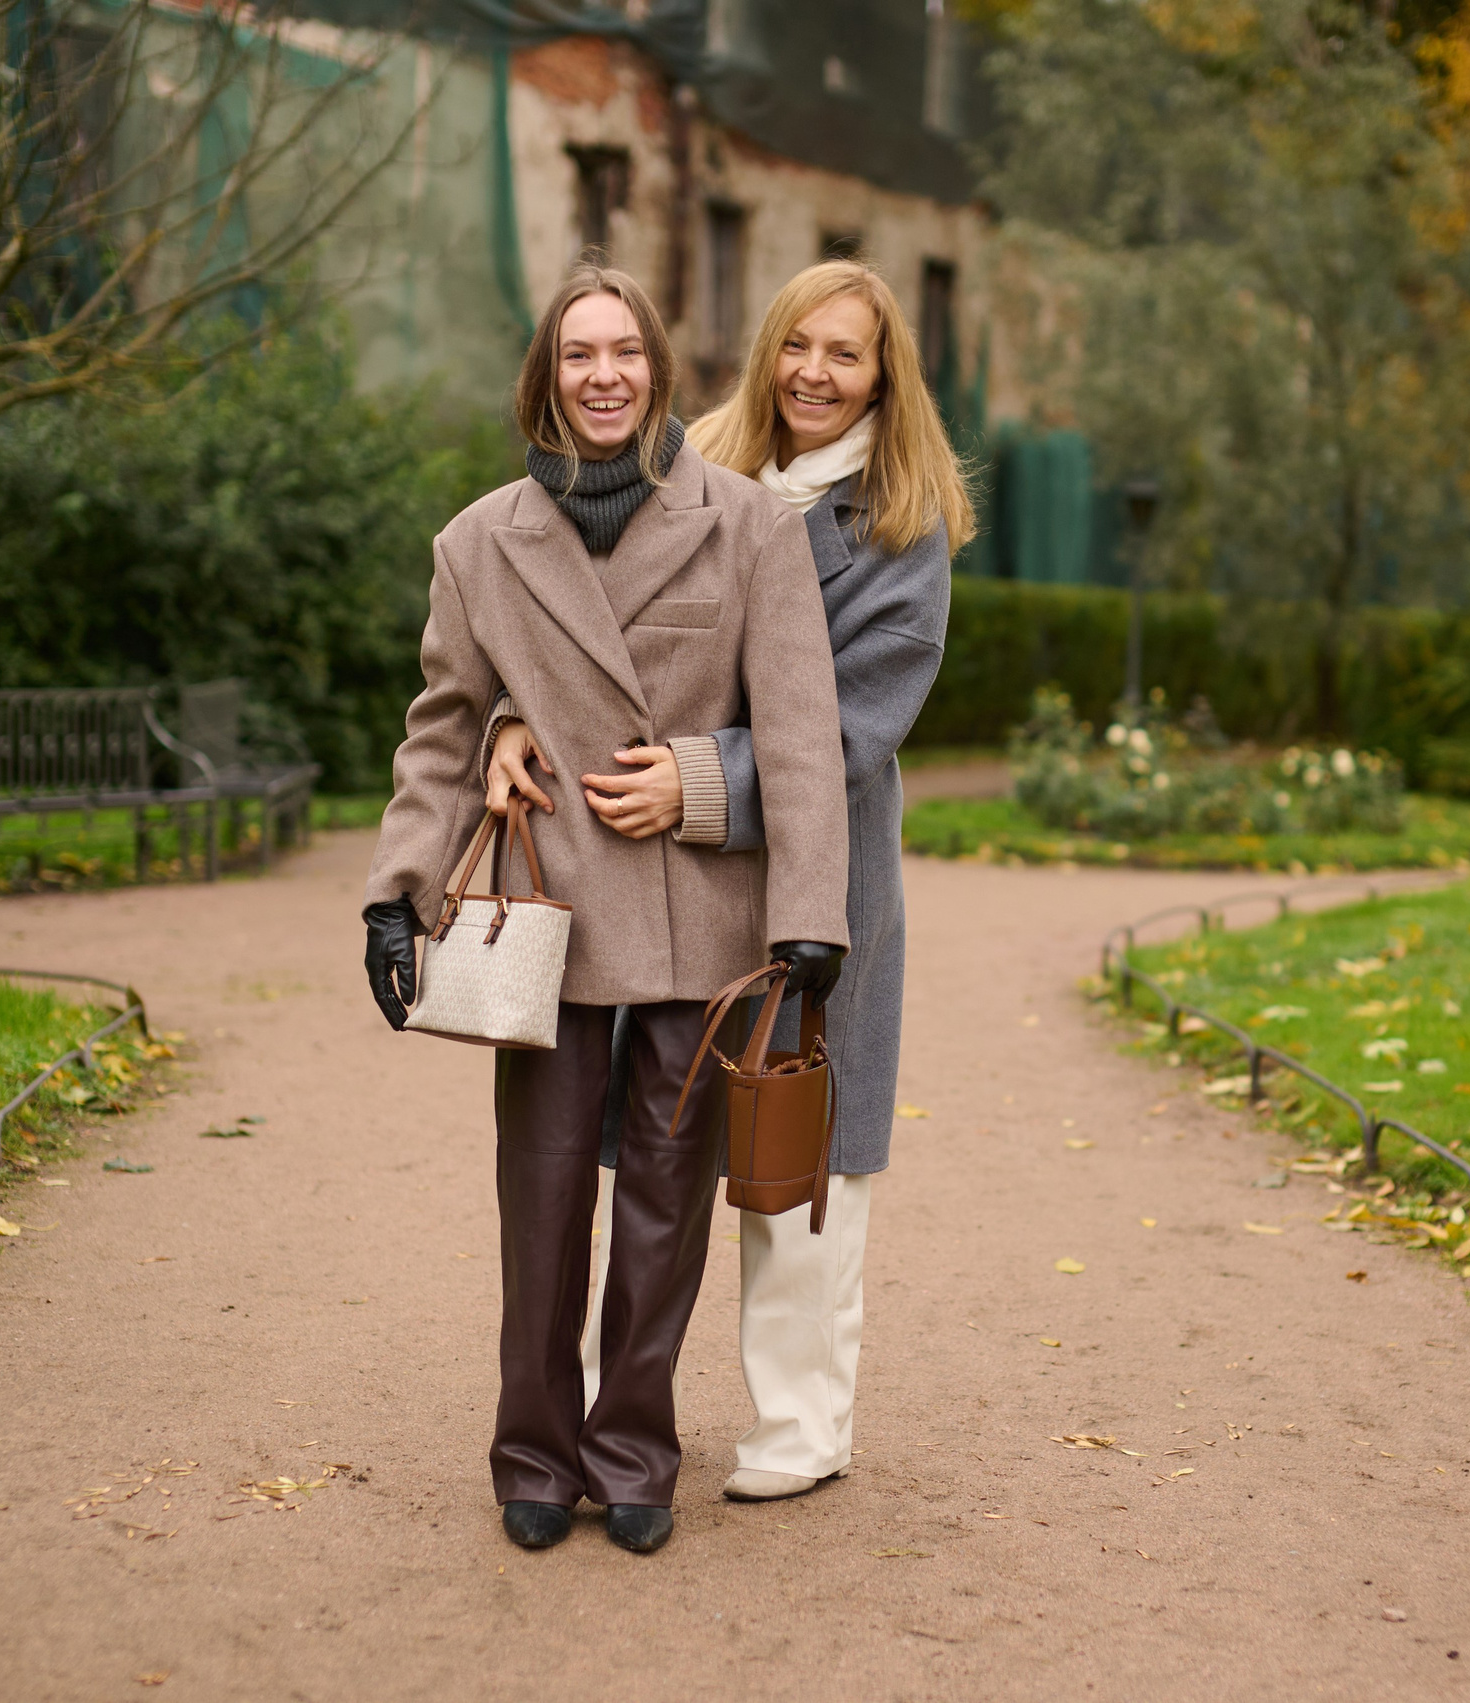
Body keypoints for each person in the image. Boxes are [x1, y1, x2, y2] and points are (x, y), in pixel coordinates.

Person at [361, 264, 852, 1556]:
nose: (602, 375)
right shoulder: (478, 542)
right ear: (545, 375)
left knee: (667, 1199)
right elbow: (442, 728)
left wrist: (809, 918)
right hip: (551, 915)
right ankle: (533, 1445)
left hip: (701, 917)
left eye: (623, 352)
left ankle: (633, 1446)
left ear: (656, 369)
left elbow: (797, 735)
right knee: (543, 1195)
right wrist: (397, 892)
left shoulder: (751, 526)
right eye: (578, 354)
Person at [487, 258, 971, 1504]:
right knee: (653, 1146)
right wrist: (504, 718)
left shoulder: (902, 526)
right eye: (797, 345)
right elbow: (558, 622)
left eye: (846, 354)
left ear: (883, 376)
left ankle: (802, 1419)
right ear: (767, 354)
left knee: (793, 1136)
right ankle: (613, 1412)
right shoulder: (680, 472)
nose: (816, 372)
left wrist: (699, 783)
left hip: (814, 866)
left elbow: (851, 725)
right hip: (658, 875)